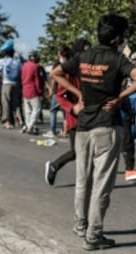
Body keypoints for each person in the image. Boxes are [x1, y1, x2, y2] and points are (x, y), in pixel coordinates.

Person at [52, 14, 136, 250]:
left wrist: (79, 93)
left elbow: (55, 73)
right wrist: (120, 97)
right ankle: (94, 235)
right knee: (102, 184)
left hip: (83, 126)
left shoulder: (83, 56)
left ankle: (80, 225)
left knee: (82, 180)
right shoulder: (117, 59)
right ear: (117, 37)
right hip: (107, 124)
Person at [44, 39, 89, 186]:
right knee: (76, 152)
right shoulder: (70, 71)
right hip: (76, 118)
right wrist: (73, 107)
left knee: (88, 150)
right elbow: (60, 96)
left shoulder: (89, 70)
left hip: (89, 117)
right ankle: (54, 166)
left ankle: (87, 179)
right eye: (85, 50)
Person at [0, 46, 22, 129]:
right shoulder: (17, 62)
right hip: (16, 84)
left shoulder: (4, 61)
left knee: (6, 103)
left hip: (6, 84)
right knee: (16, 104)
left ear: (6, 54)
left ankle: (7, 122)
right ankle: (20, 120)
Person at [20, 51, 44, 134]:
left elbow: (22, 78)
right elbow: (37, 81)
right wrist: (40, 92)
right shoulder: (35, 67)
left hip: (25, 90)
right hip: (33, 90)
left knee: (28, 111)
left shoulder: (24, 66)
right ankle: (30, 126)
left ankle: (28, 125)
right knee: (36, 109)